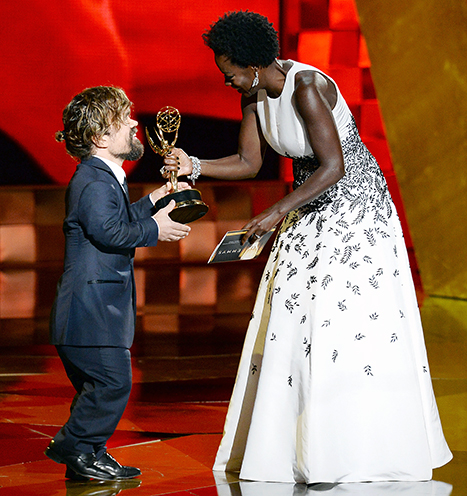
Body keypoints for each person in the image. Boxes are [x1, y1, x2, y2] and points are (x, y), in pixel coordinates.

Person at [162, 11, 452, 485]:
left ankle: (355, 448)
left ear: (252, 63)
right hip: (308, 204)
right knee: (290, 317)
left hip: (355, 210)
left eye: (229, 71)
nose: (227, 80)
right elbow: (248, 161)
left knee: (343, 323)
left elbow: (334, 165)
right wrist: (193, 163)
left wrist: (276, 213)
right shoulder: (254, 95)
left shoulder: (306, 88)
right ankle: (292, 448)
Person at [45, 86, 191, 481]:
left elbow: (116, 219)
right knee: (112, 383)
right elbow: (108, 231)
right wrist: (154, 228)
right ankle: (73, 445)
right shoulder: (93, 181)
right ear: (101, 138)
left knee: (100, 388)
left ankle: (91, 455)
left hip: (96, 311)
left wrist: (155, 200)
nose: (133, 124)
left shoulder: (105, 178)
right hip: (89, 311)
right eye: (123, 119)